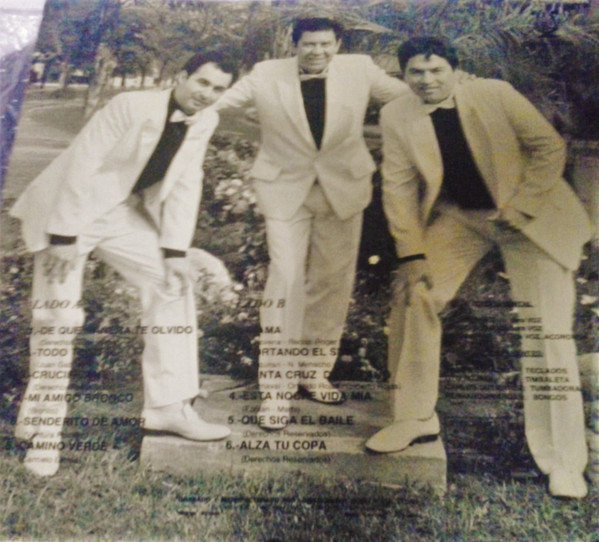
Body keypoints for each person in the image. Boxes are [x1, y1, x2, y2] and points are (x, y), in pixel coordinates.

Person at [367, 37, 591, 498]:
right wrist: (411, 253)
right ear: (403, 76)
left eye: (436, 70)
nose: (427, 80)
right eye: (416, 72)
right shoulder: (396, 115)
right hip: (463, 218)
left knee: (546, 333)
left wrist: (523, 205)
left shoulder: (495, 93)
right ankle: (414, 417)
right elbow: (398, 187)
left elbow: (548, 147)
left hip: (531, 217)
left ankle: (563, 460)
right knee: (416, 293)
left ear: (455, 69)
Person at [11, 51, 236, 476]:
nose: (207, 94)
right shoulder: (129, 104)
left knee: (172, 284)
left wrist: (175, 251)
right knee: (58, 319)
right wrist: (64, 235)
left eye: (218, 89)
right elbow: (83, 163)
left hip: (119, 212)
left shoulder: (206, 119)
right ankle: (43, 433)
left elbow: (187, 182)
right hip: (66, 212)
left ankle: (169, 408)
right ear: (181, 76)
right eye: (202, 82)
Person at [213, 17, 410, 430]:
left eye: (325, 44)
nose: (317, 51)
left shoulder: (360, 68)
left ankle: (314, 371)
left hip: (343, 189)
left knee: (332, 282)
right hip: (285, 189)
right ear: (295, 44)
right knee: (284, 281)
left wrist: (465, 87)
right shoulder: (267, 73)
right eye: (309, 44)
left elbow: (409, 93)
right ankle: (276, 390)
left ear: (337, 44)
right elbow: (220, 102)